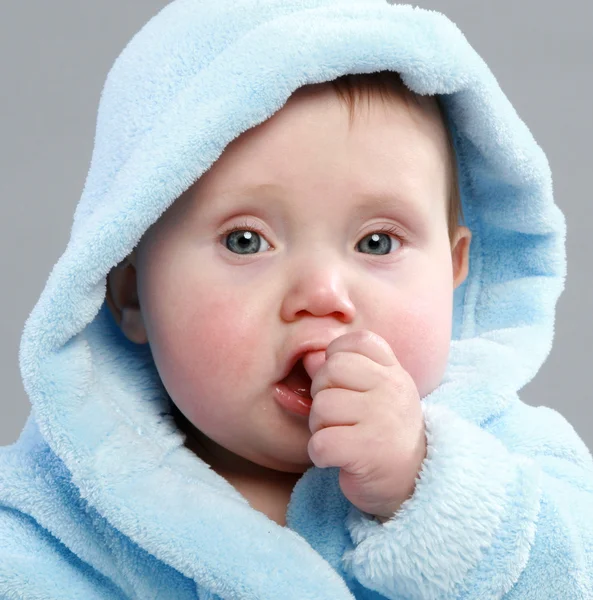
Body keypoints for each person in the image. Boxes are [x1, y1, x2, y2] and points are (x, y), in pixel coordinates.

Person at [1, 0, 591, 598]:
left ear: (454, 268)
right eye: (246, 240)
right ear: (130, 293)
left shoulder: (516, 459)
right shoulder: (57, 517)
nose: (321, 295)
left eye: (378, 241)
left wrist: (423, 485)